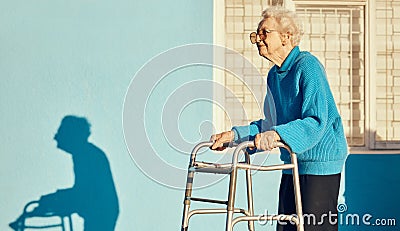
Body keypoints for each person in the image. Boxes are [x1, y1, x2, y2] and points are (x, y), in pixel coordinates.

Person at [210, 6, 348, 231]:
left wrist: (276, 135)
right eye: (256, 34)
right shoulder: (274, 75)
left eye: (265, 33)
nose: (258, 40)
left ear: (287, 36)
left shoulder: (307, 66)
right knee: (286, 228)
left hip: (319, 164)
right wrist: (234, 136)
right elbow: (271, 123)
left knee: (313, 228)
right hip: (292, 161)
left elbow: (316, 121)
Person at [10, 116, 119, 231]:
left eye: (60, 132)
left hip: (100, 210)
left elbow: (83, 193)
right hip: (100, 208)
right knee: (51, 201)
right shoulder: (85, 153)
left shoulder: (87, 155)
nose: (56, 137)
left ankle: (28, 216)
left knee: (50, 201)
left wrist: (53, 200)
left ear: (71, 135)